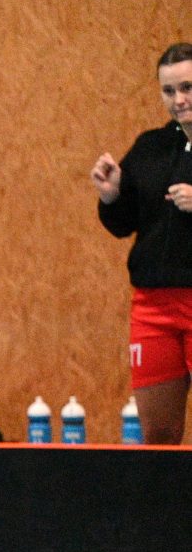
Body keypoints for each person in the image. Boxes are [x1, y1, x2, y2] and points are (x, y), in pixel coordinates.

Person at [92, 42, 192, 444]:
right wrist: (112, 194)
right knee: (159, 438)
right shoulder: (150, 147)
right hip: (153, 307)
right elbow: (123, 225)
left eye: (187, 87)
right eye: (169, 91)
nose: (179, 100)